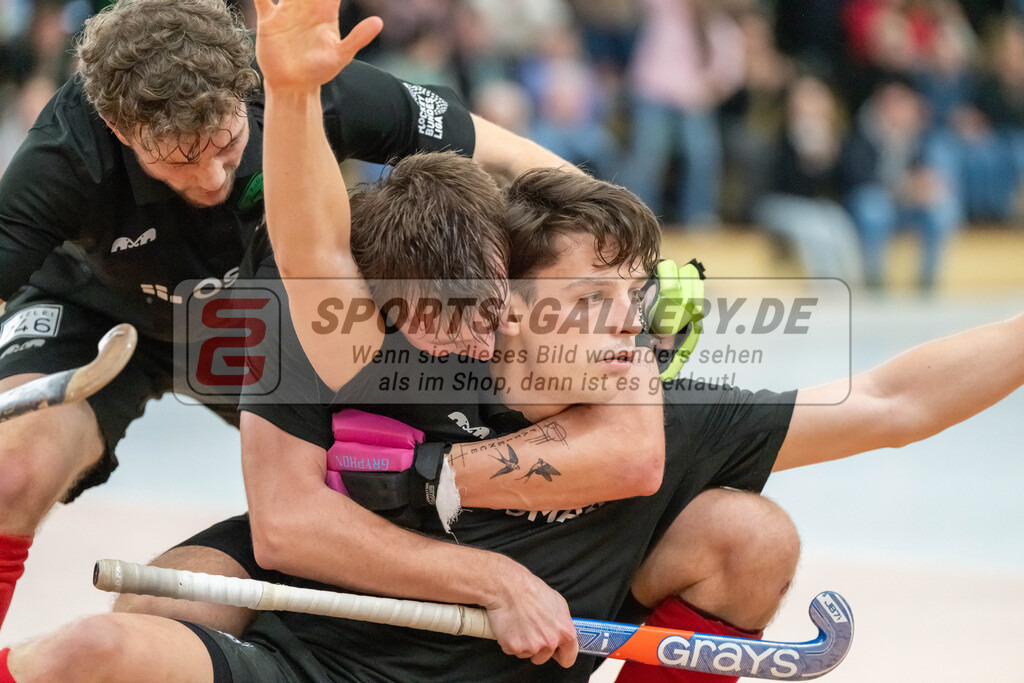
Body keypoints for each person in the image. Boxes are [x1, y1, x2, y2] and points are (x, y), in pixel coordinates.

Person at [0, 0, 574, 631]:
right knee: (11, 469)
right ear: (117, 126)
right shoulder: (64, 152)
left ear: (243, 87)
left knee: (362, 488)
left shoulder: (306, 83)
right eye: (177, 160)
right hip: (100, 312)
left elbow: (507, 154)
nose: (212, 177)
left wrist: (628, 255)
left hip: (271, 310)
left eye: (224, 144)